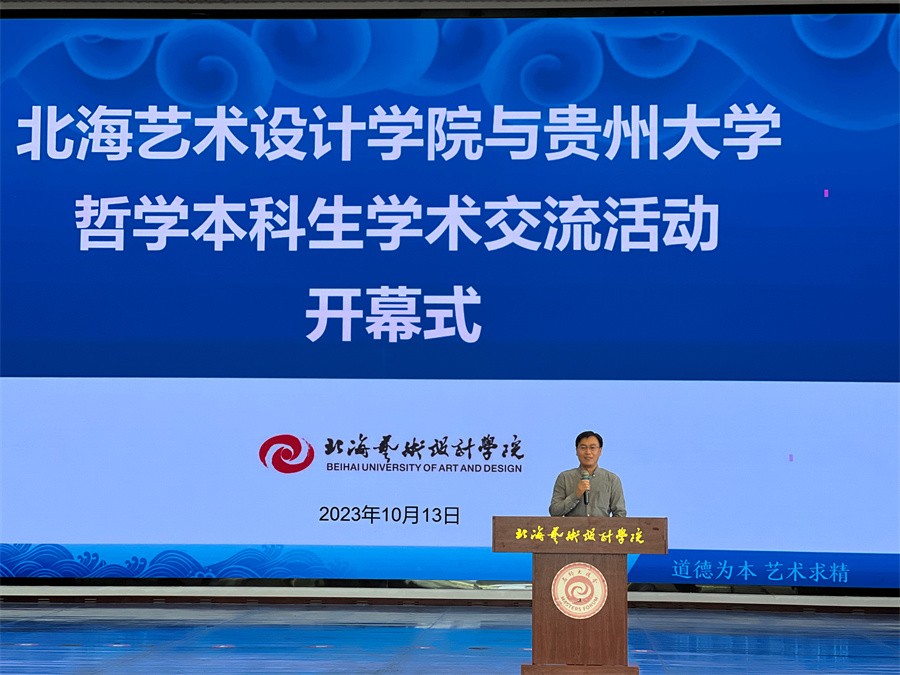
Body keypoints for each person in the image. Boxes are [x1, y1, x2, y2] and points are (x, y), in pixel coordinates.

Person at [549, 431, 626, 517]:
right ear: (576, 451)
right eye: (583, 448)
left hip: (601, 526)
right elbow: (554, 511)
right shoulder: (564, 477)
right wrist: (576, 495)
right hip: (573, 526)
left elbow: (620, 514)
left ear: (600, 451)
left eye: (592, 448)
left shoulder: (612, 479)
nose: (588, 452)